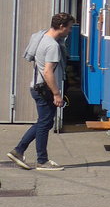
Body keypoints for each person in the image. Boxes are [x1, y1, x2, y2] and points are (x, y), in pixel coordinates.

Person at [8, 12, 75, 171]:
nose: (70, 31)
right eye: (69, 28)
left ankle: (19, 151)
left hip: (36, 87)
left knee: (44, 122)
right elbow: (48, 72)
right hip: (44, 90)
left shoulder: (41, 36)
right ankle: (41, 160)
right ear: (61, 27)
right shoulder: (52, 45)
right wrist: (57, 94)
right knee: (44, 123)